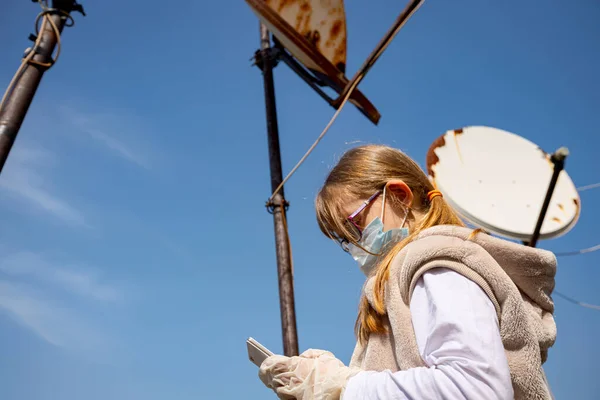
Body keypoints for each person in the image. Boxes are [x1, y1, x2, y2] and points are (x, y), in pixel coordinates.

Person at [259, 145, 556, 400]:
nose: (353, 244)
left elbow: (474, 388)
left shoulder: (437, 267)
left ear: (400, 196)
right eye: (343, 238)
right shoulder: (412, 275)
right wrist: (327, 379)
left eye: (354, 224)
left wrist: (344, 386)